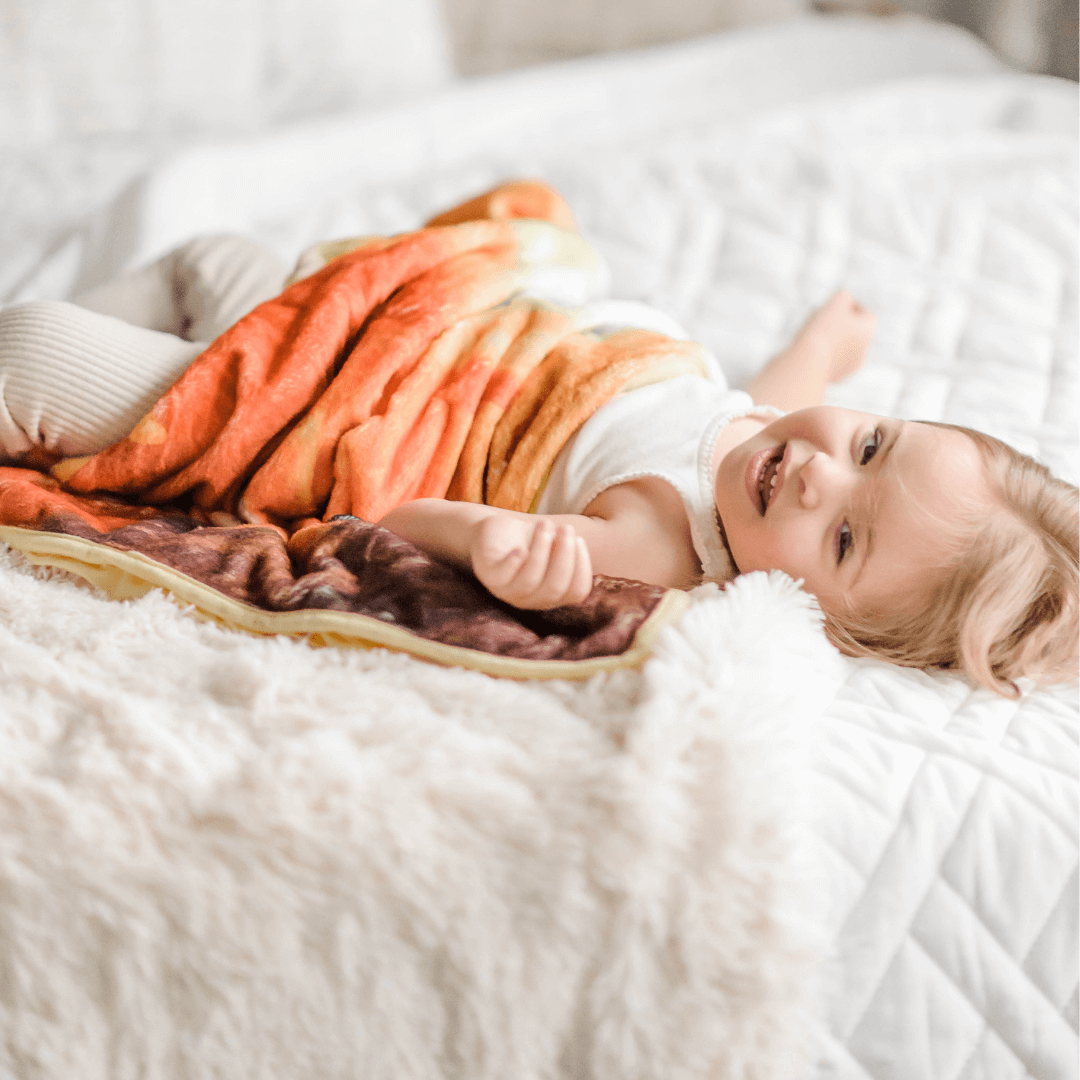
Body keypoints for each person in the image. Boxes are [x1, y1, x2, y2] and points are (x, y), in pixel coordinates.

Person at [0, 232, 1075, 698]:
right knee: (211, 258)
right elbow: (777, 401)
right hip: (391, 324)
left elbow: (408, 518)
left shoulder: (659, 541)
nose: (817, 474)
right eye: (873, 442)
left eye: (845, 536)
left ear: (814, 615)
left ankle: (98, 393)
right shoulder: (777, 448)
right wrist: (825, 347)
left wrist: (496, 548)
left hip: (338, 408)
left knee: (39, 351)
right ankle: (146, 361)